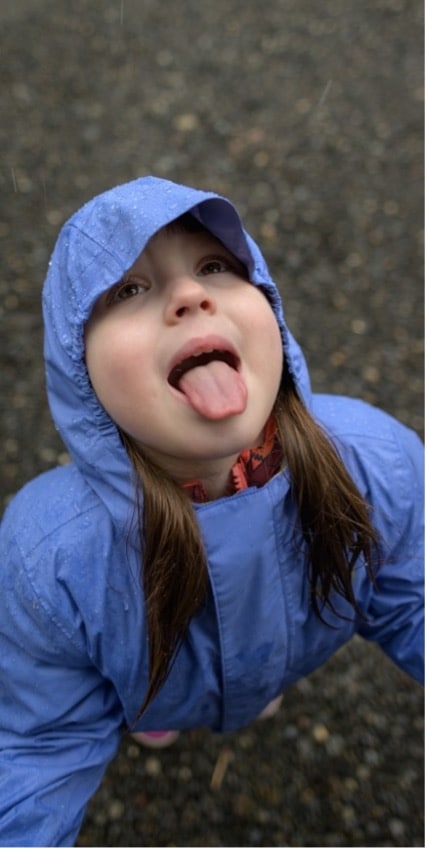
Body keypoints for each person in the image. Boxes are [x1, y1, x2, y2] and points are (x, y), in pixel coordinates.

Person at [0, 176, 423, 846]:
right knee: (143, 702)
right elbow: (38, 744)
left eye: (217, 266)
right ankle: (151, 707)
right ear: (80, 378)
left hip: (285, 656)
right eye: (129, 289)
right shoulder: (47, 559)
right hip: (147, 687)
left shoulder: (378, 460)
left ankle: (256, 678)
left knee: (256, 673)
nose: (191, 295)